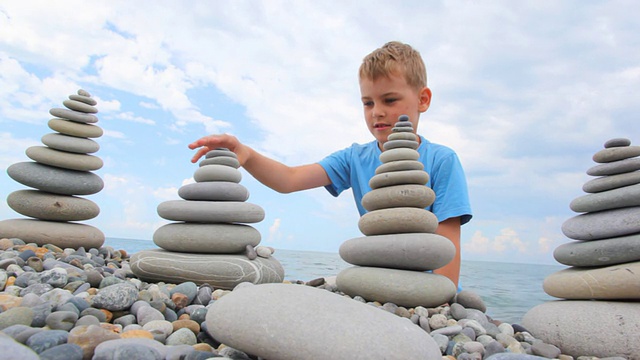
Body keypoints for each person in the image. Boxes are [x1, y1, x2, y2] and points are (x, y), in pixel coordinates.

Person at [189, 41, 472, 287]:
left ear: (423, 99)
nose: (378, 112)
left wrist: (442, 303)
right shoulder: (354, 158)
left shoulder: (442, 160)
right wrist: (246, 153)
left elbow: (447, 245)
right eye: (368, 103)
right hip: (379, 278)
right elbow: (289, 180)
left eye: (390, 99)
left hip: (427, 286)